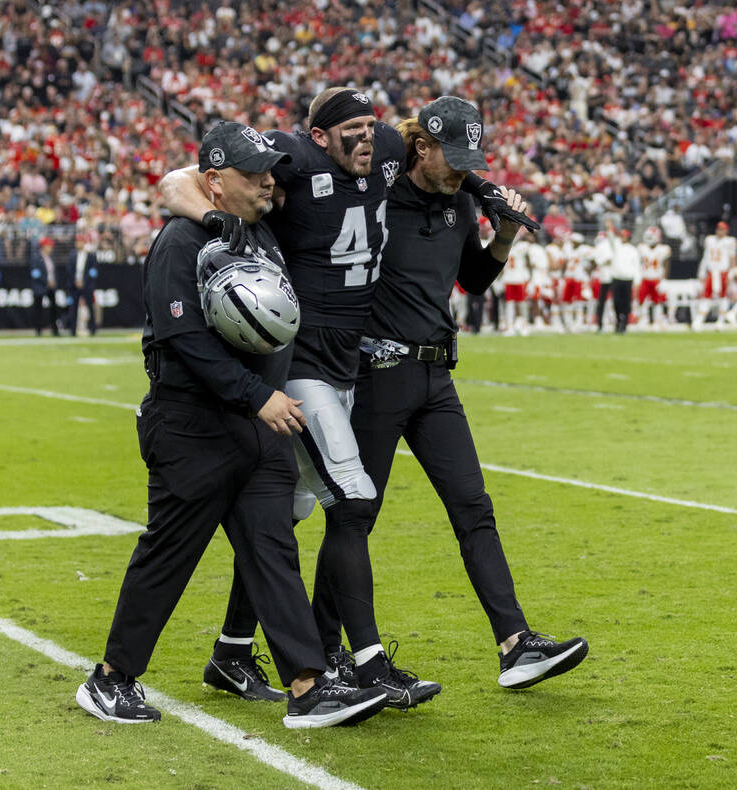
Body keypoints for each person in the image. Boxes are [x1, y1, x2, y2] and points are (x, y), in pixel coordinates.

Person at [221, 96, 587, 693]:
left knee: (473, 506)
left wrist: (504, 239)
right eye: (456, 158)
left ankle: (516, 644)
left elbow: (471, 276)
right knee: (351, 513)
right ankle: (334, 652)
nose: (466, 170)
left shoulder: (463, 196)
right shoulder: (376, 184)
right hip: (372, 372)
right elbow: (307, 166)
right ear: (421, 147)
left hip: (437, 375)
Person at [76, 122, 387, 729]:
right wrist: (257, 395)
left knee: (273, 551)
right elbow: (183, 338)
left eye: (268, 169)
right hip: (192, 424)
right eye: (252, 173)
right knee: (170, 553)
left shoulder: (261, 231)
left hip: (255, 424)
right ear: (214, 183)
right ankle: (110, 678)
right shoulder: (179, 242)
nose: (268, 180)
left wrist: (263, 397)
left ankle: (307, 685)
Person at [695, 221, 737, 329]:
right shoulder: (710, 240)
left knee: (723, 297)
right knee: (706, 296)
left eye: (722, 229)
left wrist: (731, 273)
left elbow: (732, 259)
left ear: (726, 230)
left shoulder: (730, 241)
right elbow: (706, 257)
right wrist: (701, 271)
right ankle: (699, 321)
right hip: (711, 272)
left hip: (723, 272)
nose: (720, 231)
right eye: (718, 229)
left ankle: (720, 321)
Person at [28, 237, 62, 336]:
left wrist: (54, 281)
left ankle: (55, 330)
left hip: (51, 287)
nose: (51, 248)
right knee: (38, 309)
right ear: (43, 246)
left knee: (54, 309)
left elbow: (54, 272)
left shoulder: (51, 258)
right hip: (40, 287)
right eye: (49, 246)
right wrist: (46, 281)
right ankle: (38, 330)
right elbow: (35, 273)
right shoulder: (36, 258)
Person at [609, 227, 640, 333]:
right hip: (617, 278)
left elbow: (636, 266)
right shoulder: (616, 247)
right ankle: (618, 321)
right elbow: (611, 237)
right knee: (616, 302)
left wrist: (637, 281)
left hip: (627, 279)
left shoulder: (633, 250)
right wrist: (610, 228)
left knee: (626, 303)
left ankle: (624, 324)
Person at [68, 237, 100, 336]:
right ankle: (72, 330)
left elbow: (93, 271)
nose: (78, 244)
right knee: (74, 308)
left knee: (90, 307)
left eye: (80, 242)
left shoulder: (91, 256)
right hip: (75, 285)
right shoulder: (72, 255)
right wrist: (75, 282)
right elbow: (69, 270)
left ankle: (92, 329)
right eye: (77, 242)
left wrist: (84, 282)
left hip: (87, 285)